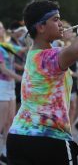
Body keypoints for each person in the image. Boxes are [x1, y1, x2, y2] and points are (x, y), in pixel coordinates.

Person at [7, 0, 78, 165]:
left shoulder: (39, 55)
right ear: (40, 27)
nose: (61, 23)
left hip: (19, 137)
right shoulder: (48, 57)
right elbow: (77, 50)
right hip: (50, 140)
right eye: (55, 19)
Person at [0, 22, 22, 164]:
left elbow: (13, 63)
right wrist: (22, 78)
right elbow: (4, 70)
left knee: (10, 121)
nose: (2, 30)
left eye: (2, 27)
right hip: (2, 85)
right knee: (1, 123)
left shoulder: (6, 46)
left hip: (10, 85)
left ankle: (5, 152)